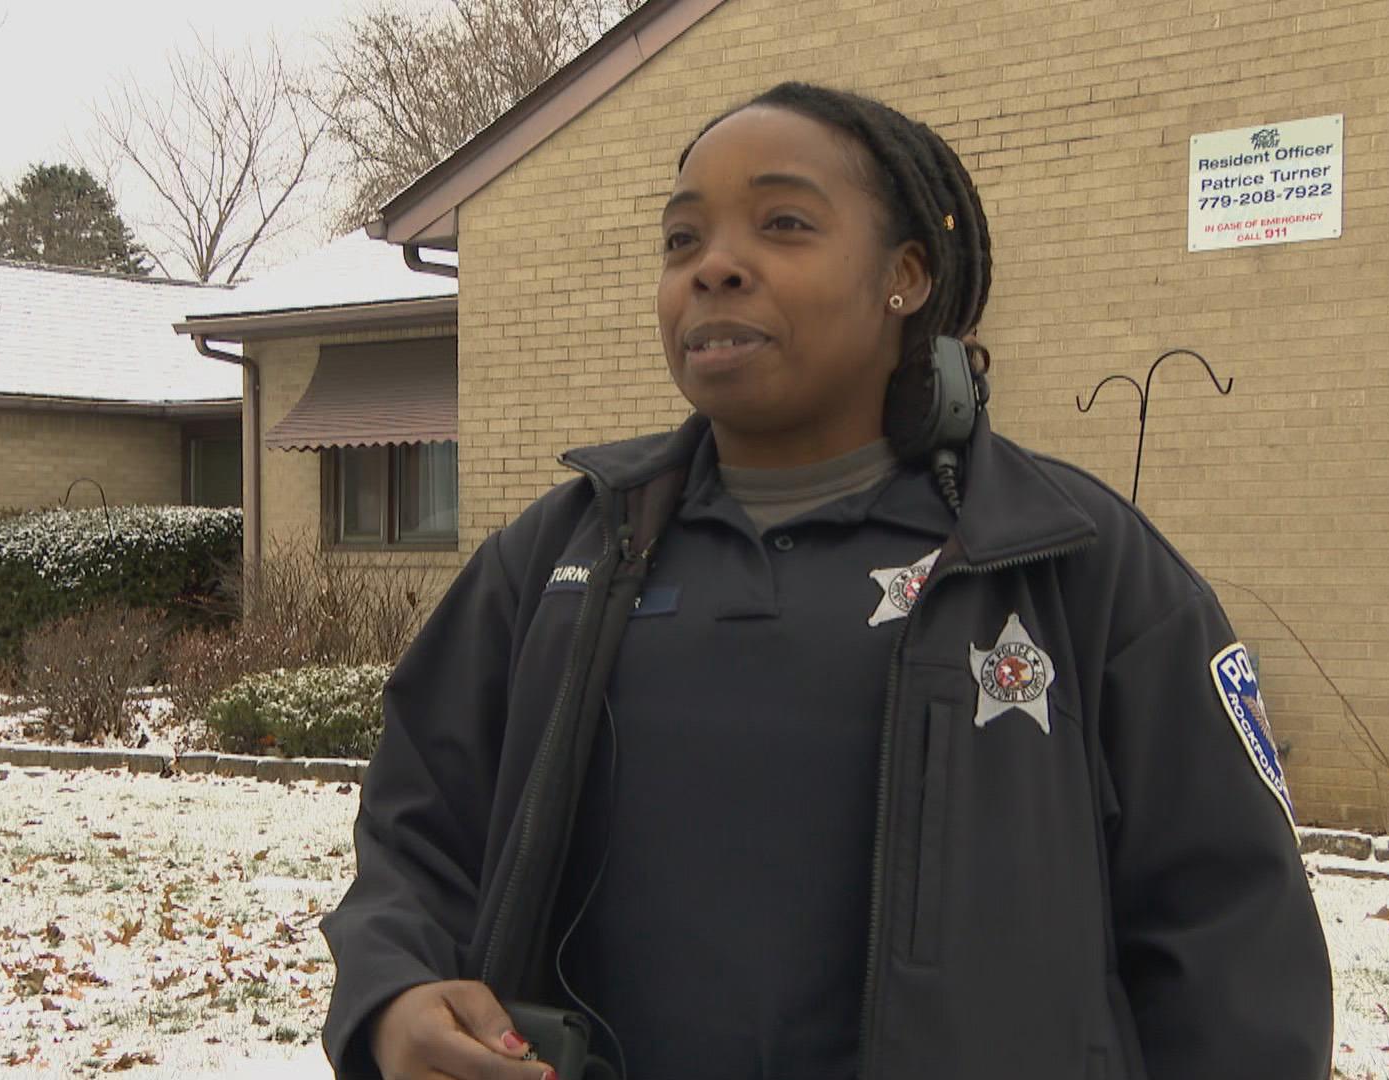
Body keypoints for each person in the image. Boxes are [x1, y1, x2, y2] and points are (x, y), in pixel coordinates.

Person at [320, 82, 1333, 1080]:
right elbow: (419, 831)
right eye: (682, 241)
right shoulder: (556, 561)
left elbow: (1232, 943)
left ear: (905, 276)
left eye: (784, 224)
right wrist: (394, 993)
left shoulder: (1071, 562)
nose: (713, 268)